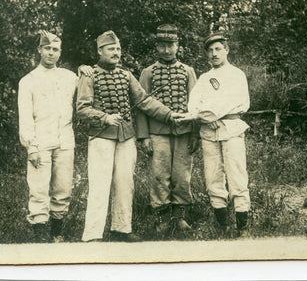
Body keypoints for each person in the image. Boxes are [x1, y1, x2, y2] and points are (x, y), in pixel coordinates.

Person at [76, 30, 183, 242]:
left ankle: (121, 229)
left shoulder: (126, 75)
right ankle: (92, 235)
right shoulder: (89, 75)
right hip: (100, 136)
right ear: (100, 51)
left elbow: (145, 100)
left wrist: (169, 115)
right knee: (100, 184)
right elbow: (82, 108)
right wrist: (105, 117)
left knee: (125, 183)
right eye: (111, 49)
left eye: (118, 48)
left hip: (126, 137)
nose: (116, 53)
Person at [179, 32, 251, 236]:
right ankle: (223, 225)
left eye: (218, 49)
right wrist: (204, 117)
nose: (214, 53)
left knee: (237, 176)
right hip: (209, 132)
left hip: (231, 128)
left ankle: (242, 226)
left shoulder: (236, 75)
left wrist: (208, 114)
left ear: (226, 50)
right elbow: (193, 105)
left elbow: (228, 103)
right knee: (212, 178)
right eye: (210, 50)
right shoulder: (204, 78)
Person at [135, 24, 199, 234]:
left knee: (182, 175)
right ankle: (161, 216)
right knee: (160, 175)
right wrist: (144, 136)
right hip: (158, 132)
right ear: (157, 47)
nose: (166, 50)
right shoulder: (148, 72)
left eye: (171, 45)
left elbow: (197, 104)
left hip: (184, 132)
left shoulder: (188, 71)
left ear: (178, 46)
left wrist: (195, 133)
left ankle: (180, 216)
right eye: (162, 46)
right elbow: (142, 106)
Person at [17, 30, 77, 243]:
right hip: (40, 142)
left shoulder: (70, 77)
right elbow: (25, 116)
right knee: (39, 189)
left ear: (60, 52)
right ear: (39, 50)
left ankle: (57, 233)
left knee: (62, 188)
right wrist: (31, 147)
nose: (51, 53)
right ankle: (40, 236)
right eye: (47, 49)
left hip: (65, 141)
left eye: (55, 49)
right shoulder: (28, 80)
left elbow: (86, 93)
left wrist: (88, 70)